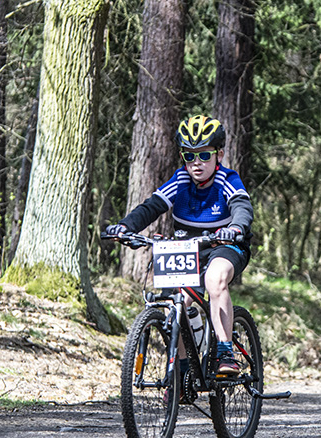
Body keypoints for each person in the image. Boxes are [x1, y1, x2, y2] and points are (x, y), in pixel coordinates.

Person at [106, 115, 254, 377]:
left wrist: (236, 228)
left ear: (219, 155)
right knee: (178, 302)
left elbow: (242, 207)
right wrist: (126, 227)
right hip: (190, 250)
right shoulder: (180, 181)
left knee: (215, 278)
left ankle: (224, 351)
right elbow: (151, 207)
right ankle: (183, 371)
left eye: (204, 156)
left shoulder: (227, 180)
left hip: (226, 246)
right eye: (189, 156)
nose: (197, 163)